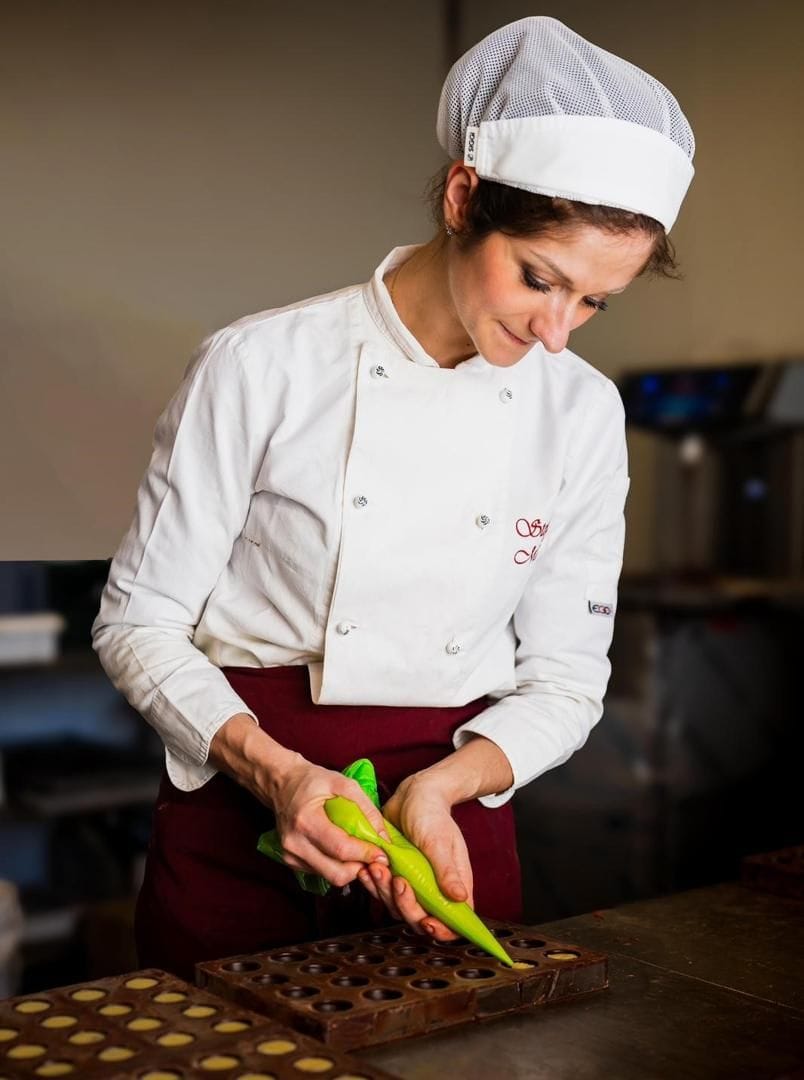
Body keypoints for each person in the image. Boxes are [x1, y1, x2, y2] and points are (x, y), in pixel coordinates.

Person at [92, 16, 695, 980]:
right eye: (540, 278)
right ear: (464, 197)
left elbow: (568, 680)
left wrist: (444, 789)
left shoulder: (580, 412)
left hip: (451, 828)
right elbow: (138, 623)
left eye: (593, 303)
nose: (556, 333)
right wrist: (279, 774)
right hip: (246, 801)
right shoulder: (263, 365)